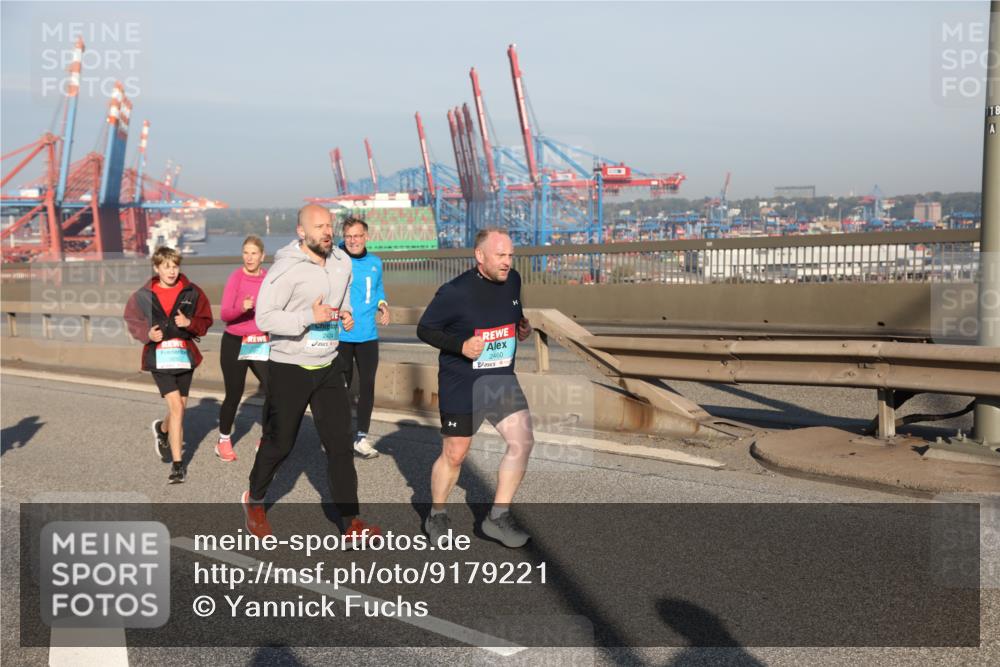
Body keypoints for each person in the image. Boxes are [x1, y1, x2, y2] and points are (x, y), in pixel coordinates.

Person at [242, 204, 379, 539]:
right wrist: (308, 316)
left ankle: (351, 523)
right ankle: (255, 500)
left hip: (328, 364)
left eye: (329, 225)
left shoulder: (342, 262)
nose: (327, 232)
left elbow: (342, 299)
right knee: (280, 443)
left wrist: (344, 314)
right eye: (319, 227)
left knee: (340, 444)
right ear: (301, 232)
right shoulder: (285, 270)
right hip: (289, 367)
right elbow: (265, 318)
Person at [417, 227, 535, 548]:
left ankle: (497, 516)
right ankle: (437, 513)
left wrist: (520, 326)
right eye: (500, 255)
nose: (507, 262)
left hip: (500, 379)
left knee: (522, 442)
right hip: (462, 383)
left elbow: (510, 316)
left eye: (510, 255)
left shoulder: (513, 280)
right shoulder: (454, 292)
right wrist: (460, 345)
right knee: (455, 454)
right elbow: (425, 329)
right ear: (479, 256)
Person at [124, 246, 213, 484]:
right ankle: (177, 465)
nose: (172, 271)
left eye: (175, 266)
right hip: (159, 358)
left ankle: (162, 431)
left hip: (184, 357)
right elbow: (131, 319)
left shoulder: (192, 292)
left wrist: (189, 322)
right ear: (157, 268)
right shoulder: (142, 295)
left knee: (179, 410)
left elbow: (206, 321)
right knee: (176, 408)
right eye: (166, 267)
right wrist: (146, 334)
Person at [336, 217, 390, 460]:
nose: (353, 240)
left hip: (368, 334)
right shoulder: (335, 259)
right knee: (342, 387)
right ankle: (339, 435)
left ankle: (361, 438)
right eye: (349, 236)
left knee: (367, 386)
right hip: (342, 333)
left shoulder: (376, 263)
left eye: (357, 236)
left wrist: (382, 304)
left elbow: (378, 288)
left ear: (366, 237)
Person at [216, 235, 270, 462]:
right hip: (235, 342)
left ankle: (267, 438)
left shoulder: (268, 278)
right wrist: (242, 307)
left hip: (258, 342)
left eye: (254, 253)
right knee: (234, 394)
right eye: (246, 253)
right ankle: (224, 440)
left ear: (262, 256)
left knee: (274, 389)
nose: (249, 257)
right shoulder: (236, 277)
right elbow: (224, 314)